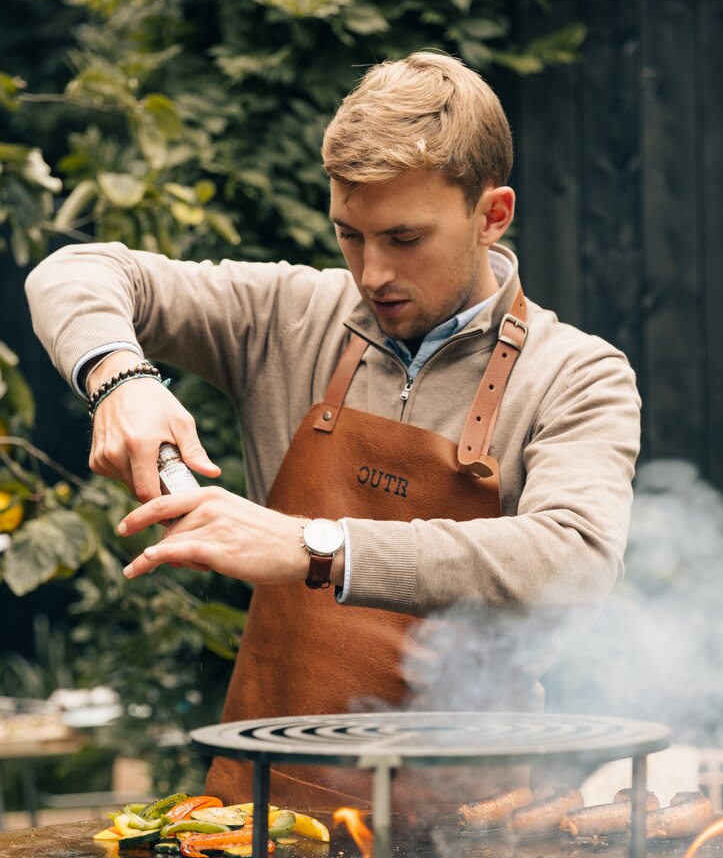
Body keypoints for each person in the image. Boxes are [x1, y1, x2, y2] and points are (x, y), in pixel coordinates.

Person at [25, 51, 641, 814]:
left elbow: (573, 558)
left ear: (493, 215)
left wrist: (318, 547)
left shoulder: (576, 372)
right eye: (350, 235)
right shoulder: (290, 315)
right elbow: (73, 272)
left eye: (404, 238)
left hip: (472, 843)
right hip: (259, 821)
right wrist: (122, 377)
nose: (371, 273)